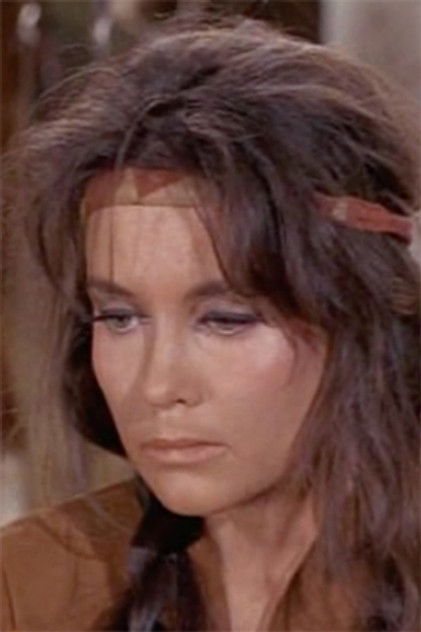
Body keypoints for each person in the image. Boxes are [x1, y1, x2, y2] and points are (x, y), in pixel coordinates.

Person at [2, 14, 420, 632]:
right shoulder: (31, 583)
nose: (157, 385)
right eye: (120, 317)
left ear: (357, 317)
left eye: (225, 319)